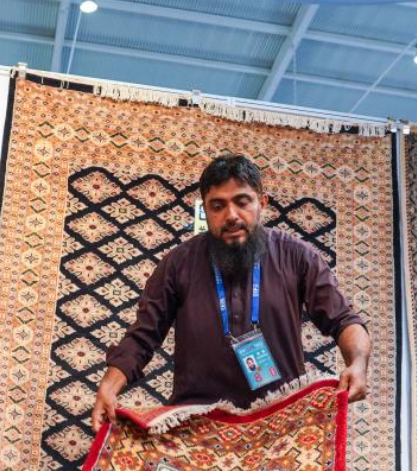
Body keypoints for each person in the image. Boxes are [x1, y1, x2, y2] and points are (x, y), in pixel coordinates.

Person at [90, 154, 371, 433]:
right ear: (205, 210)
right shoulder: (177, 264)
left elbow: (344, 320)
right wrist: (109, 387)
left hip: (281, 423)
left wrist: (358, 364)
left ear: (262, 203)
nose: (231, 215)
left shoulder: (298, 256)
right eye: (218, 206)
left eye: (242, 201)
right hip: (195, 425)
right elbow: (143, 336)